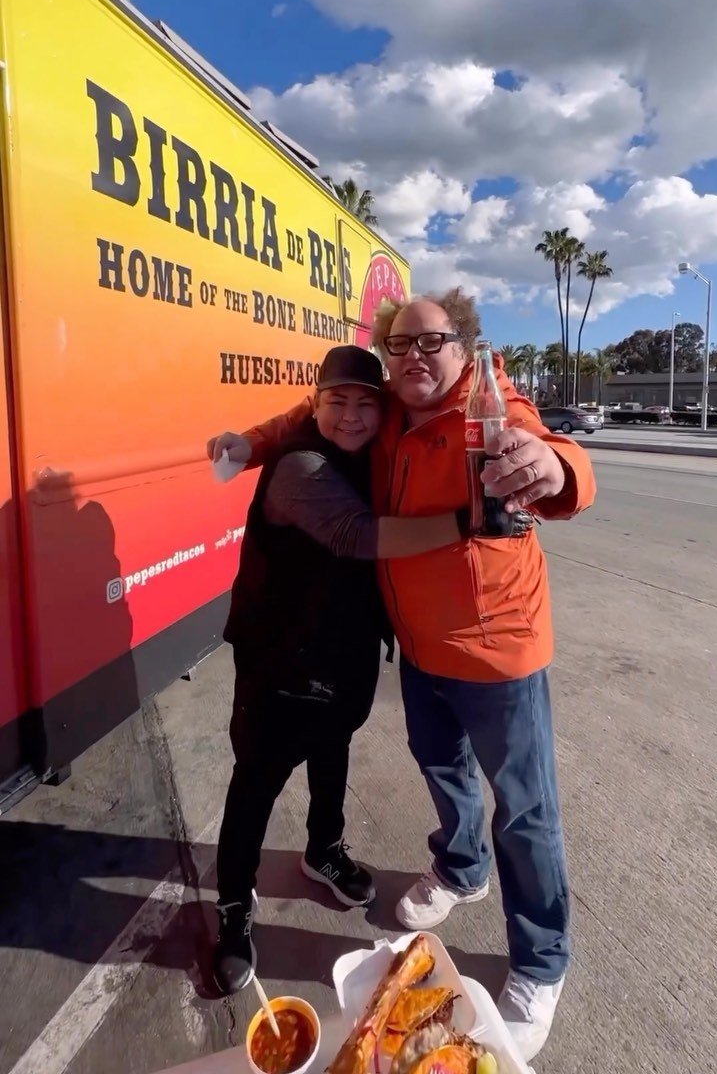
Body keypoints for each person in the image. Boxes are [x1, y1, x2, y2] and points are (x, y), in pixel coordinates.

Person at [210, 293, 596, 1060]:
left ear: (465, 346)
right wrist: (249, 444)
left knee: (523, 811)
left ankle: (541, 962)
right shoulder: (383, 409)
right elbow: (313, 414)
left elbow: (553, 455)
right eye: (400, 346)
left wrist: (554, 466)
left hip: (496, 651)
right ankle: (458, 869)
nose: (414, 357)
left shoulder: (490, 408)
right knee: (440, 770)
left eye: (432, 342)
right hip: (410, 652)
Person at [209, 343, 524, 995]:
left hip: (344, 651)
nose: (351, 417)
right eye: (337, 403)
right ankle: (233, 909)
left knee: (333, 752)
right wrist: (472, 519)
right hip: (278, 657)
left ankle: (324, 850)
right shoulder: (300, 465)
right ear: (316, 406)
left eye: (364, 404)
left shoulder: (370, 455)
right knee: (257, 783)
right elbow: (358, 536)